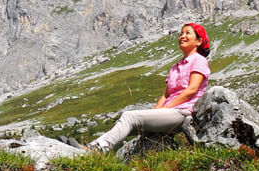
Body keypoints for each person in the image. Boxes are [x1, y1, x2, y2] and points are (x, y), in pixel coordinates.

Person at [89, 23, 211, 153]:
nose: (182, 36)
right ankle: (92, 146)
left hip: (183, 112)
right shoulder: (175, 67)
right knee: (131, 125)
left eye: (187, 33)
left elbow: (191, 90)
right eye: (181, 33)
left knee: (129, 117)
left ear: (198, 41)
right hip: (170, 112)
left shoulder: (199, 60)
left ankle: (98, 148)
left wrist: (165, 109)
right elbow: (165, 96)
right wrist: (156, 112)